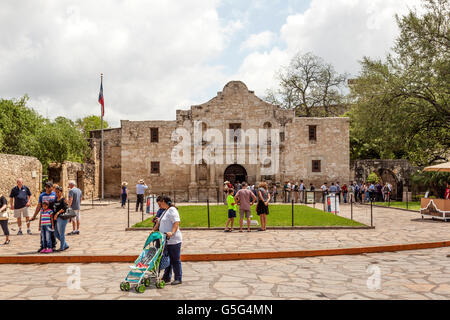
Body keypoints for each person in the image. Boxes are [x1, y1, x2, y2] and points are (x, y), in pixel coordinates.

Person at [152, 196, 182, 285]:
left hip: (173, 239)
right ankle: (166, 277)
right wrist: (153, 231)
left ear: (163, 201)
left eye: (159, 204)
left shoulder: (172, 210)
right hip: (164, 240)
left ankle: (178, 278)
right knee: (166, 259)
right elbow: (159, 222)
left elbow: (176, 222)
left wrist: (172, 232)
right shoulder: (165, 211)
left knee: (175, 259)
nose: (159, 206)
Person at [31, 182, 57, 252]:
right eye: (47, 187)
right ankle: (43, 246)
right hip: (44, 216)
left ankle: (52, 246)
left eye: (49, 187)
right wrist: (34, 215)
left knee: (52, 231)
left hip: (52, 215)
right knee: (43, 233)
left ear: (52, 187)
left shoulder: (54, 194)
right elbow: (39, 205)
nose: (48, 188)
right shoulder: (42, 195)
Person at [53, 186, 69, 251]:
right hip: (57, 218)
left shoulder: (63, 199)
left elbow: (65, 207)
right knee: (56, 233)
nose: (57, 193)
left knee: (61, 233)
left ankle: (62, 247)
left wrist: (57, 213)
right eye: (56, 192)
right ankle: (65, 244)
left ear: (61, 192)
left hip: (62, 218)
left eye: (58, 192)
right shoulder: (56, 199)